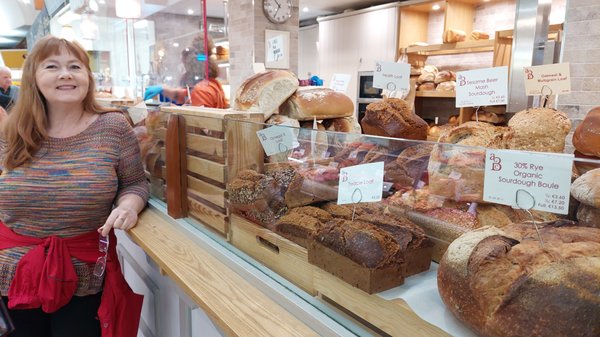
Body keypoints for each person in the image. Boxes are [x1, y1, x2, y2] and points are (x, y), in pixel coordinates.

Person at [0, 35, 149, 337]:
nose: (65, 74)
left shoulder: (113, 127)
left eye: (75, 66)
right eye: (52, 66)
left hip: (84, 276)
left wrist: (129, 206)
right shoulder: (11, 131)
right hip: (12, 276)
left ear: (87, 77)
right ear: (33, 78)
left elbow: (135, 183)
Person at [144, 34, 228, 108]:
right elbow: (188, 94)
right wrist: (168, 90)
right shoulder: (214, 84)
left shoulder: (201, 90)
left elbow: (198, 122)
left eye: (184, 63)